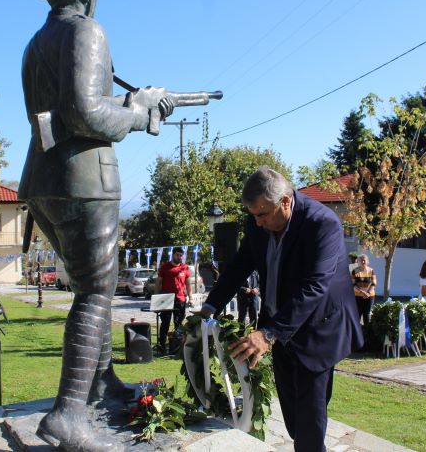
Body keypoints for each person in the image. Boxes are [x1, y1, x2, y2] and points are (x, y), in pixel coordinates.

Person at [18, 0, 176, 451]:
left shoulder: (35, 43)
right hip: (84, 181)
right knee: (95, 292)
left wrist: (131, 105)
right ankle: (68, 416)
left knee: (95, 287)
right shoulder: (87, 33)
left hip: (42, 182)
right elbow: (87, 114)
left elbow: (57, 113)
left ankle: (101, 386)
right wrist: (138, 112)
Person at [200, 166, 363, 452]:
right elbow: (240, 265)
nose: (258, 223)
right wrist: (211, 305)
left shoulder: (321, 224)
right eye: (253, 215)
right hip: (279, 329)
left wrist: (267, 334)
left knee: (309, 424)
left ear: (285, 201)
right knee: (293, 420)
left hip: (318, 330)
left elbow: (315, 285)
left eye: (263, 214)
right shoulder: (257, 224)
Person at [155, 248, 193, 354]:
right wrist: (156, 298)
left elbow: (188, 284)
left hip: (180, 299)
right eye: (177, 255)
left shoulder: (185, 268)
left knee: (178, 324)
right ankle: (162, 346)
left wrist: (191, 298)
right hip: (166, 299)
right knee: (165, 323)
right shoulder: (165, 267)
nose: (179, 257)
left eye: (181, 255)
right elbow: (158, 282)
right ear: (173, 255)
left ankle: (176, 347)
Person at [351, 254, 376, 328]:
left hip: (369, 296)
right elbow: (353, 284)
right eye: (361, 260)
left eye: (364, 259)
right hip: (358, 296)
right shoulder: (354, 271)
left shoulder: (371, 271)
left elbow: (374, 283)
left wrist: (368, 293)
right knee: (357, 314)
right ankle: (357, 333)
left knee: (367, 314)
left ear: (367, 261)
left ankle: (367, 333)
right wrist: (362, 292)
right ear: (358, 261)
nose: (363, 261)